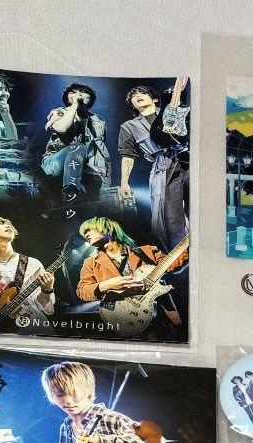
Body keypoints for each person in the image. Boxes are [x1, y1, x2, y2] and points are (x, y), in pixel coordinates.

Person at [39, 360, 150, 443]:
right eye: (60, 394)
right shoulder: (66, 427)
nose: (68, 400)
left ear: (87, 389)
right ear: (52, 395)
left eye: (74, 393)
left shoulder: (111, 419)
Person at [75, 216, 184, 341]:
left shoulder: (146, 251)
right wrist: (107, 285)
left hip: (156, 318)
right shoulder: (90, 262)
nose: (86, 235)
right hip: (119, 318)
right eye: (84, 233)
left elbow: (176, 262)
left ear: (108, 229)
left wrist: (190, 243)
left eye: (89, 230)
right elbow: (82, 290)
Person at [117, 79, 190, 250]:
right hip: (162, 165)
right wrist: (124, 182)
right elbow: (127, 155)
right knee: (167, 214)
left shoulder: (173, 110)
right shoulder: (129, 127)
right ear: (132, 105)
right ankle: (176, 252)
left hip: (188, 159)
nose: (137, 96)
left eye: (142, 93)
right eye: (133, 96)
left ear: (155, 99)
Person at [42, 82, 110, 202]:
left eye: (83, 92)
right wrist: (74, 105)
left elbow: (101, 150)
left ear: (90, 99)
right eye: (73, 92)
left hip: (87, 167)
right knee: (78, 147)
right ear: (68, 98)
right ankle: (71, 190)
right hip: (55, 163)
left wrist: (105, 175)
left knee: (95, 201)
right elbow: (61, 128)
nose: (78, 94)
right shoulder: (59, 112)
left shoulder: (99, 120)